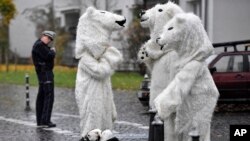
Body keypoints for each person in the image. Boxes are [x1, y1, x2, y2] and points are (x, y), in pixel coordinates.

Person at [31, 30, 56, 128]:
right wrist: (53, 51)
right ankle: (45, 120)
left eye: (50, 39)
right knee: (49, 96)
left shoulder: (38, 44)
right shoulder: (40, 45)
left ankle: (41, 121)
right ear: (43, 36)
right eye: (48, 38)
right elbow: (49, 56)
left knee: (42, 96)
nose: (49, 40)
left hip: (43, 73)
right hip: (45, 73)